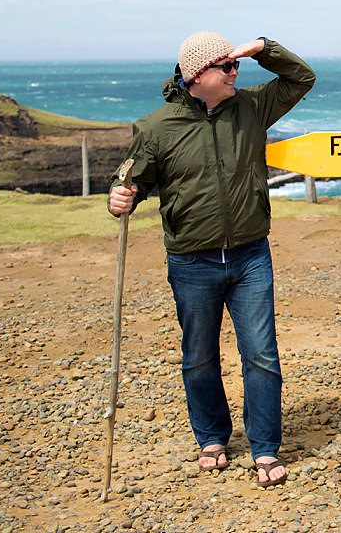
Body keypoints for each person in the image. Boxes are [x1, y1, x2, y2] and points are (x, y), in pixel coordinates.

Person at [108, 32, 315, 488]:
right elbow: (132, 181)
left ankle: (264, 447)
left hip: (250, 254)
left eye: (235, 66)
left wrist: (261, 48)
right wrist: (120, 197)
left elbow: (302, 77)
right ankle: (212, 437)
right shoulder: (156, 127)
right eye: (227, 67)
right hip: (192, 262)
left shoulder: (252, 106)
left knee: (261, 354)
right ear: (197, 75)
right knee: (199, 357)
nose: (235, 73)